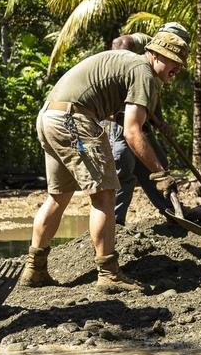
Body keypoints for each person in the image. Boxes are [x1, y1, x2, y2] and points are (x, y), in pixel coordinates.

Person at [25, 29, 189, 293]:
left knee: (58, 196)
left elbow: (111, 106)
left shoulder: (128, 63)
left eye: (180, 63)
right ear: (156, 55)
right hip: (73, 121)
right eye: (173, 61)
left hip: (49, 117)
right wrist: (160, 173)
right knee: (105, 195)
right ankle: (108, 273)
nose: (177, 67)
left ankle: (35, 268)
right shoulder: (144, 72)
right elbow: (132, 132)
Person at [103, 23, 196, 226]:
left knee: (157, 160)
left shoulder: (166, 64)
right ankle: (115, 225)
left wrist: (159, 119)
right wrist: (127, 68)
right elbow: (120, 43)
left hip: (141, 115)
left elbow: (152, 90)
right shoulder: (148, 44)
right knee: (123, 162)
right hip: (121, 115)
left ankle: (173, 212)